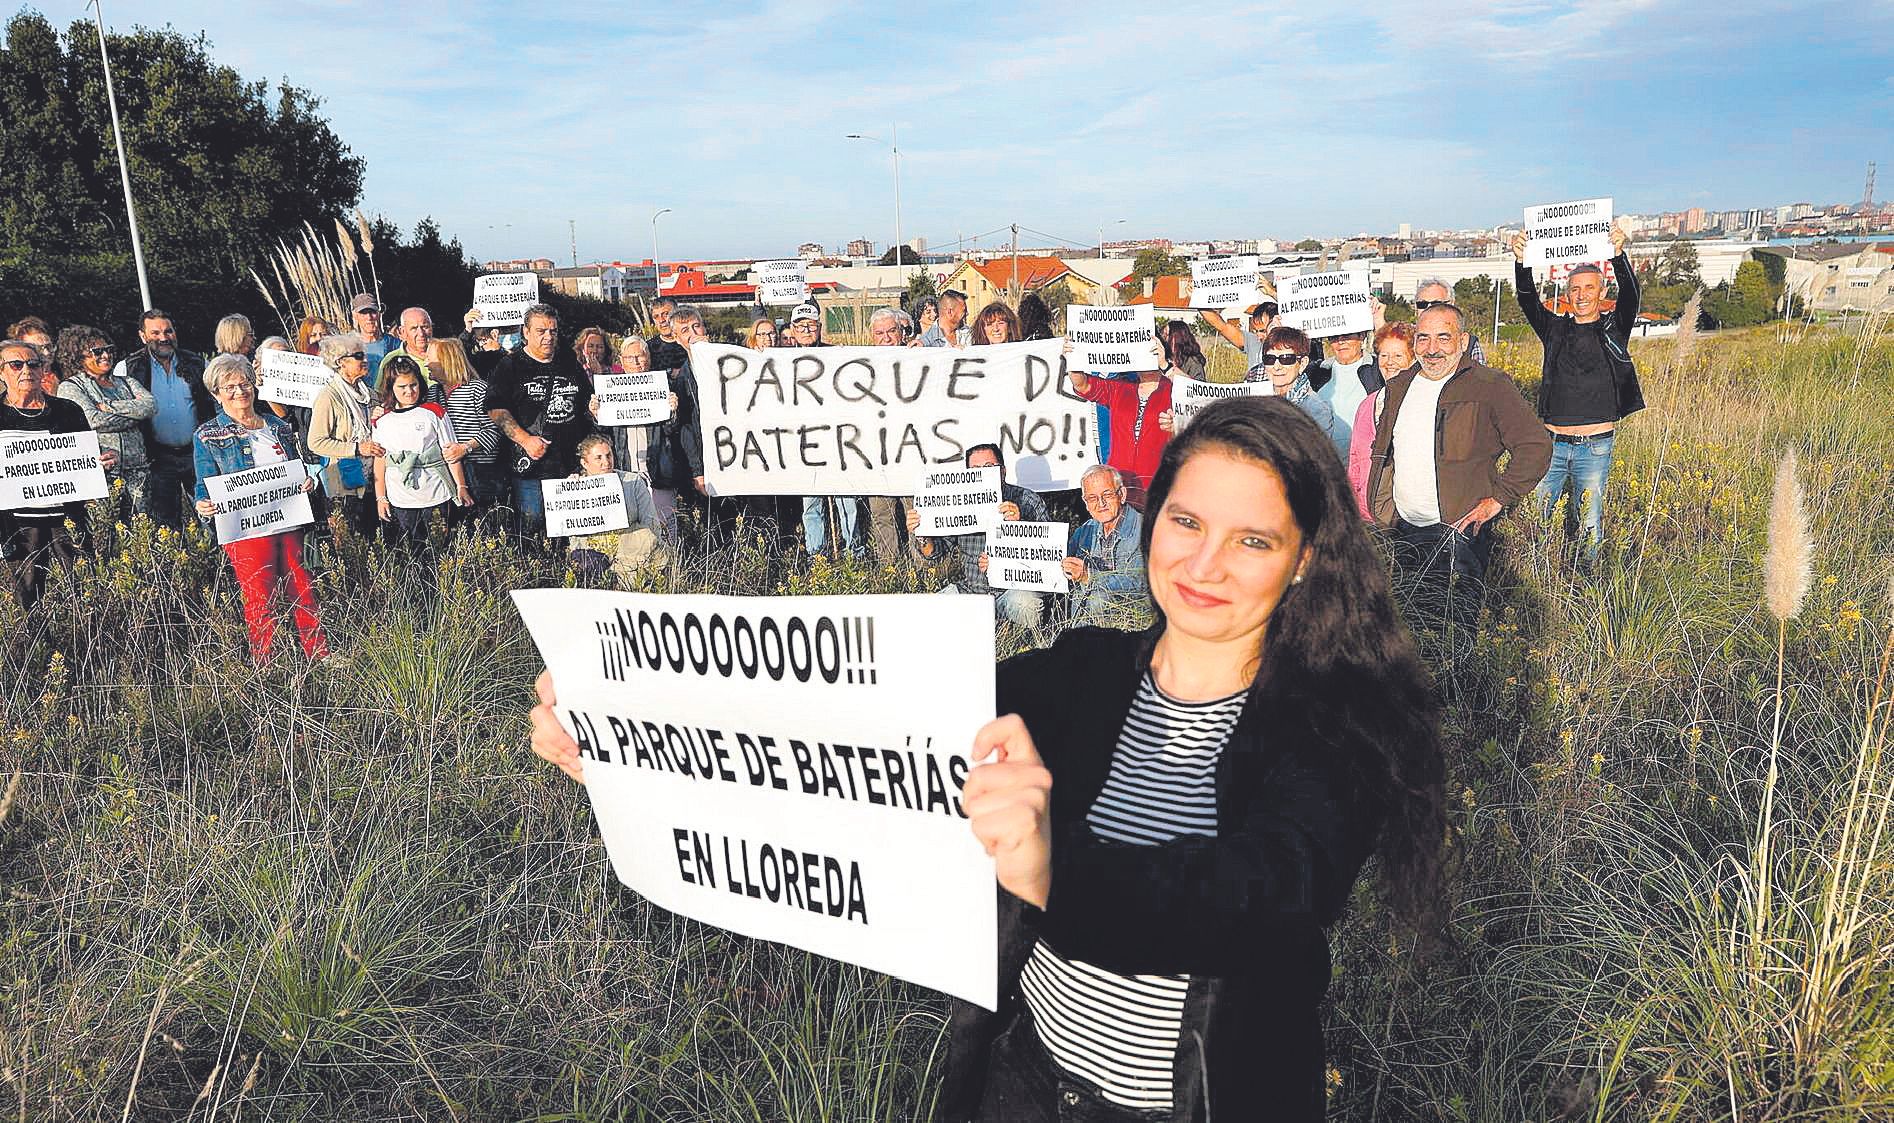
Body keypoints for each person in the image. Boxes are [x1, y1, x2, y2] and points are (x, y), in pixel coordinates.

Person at [528, 395, 1447, 1123]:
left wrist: (1059, 870)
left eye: (1253, 540)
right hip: (1024, 1079)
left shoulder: (1336, 727)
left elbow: (1258, 896)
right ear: (1149, 518)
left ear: (1304, 559)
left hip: (1199, 1102)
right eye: (1185, 522)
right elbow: (849, 722)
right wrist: (625, 729)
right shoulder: (1078, 675)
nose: (1205, 563)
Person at [1366, 304, 1551, 652]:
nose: (1432, 348)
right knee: (1414, 623)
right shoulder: (1400, 385)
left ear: (1463, 341)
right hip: (1405, 530)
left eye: (1443, 337)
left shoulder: (1489, 385)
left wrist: (1498, 499)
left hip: (1459, 532)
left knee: (1457, 629)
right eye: (1423, 338)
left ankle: (1461, 694)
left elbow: (1535, 445)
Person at [1509, 225, 1642, 567]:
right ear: (1567, 294)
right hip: (1551, 443)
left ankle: (1588, 583)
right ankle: (1539, 578)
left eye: (1589, 288)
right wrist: (1521, 261)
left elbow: (1632, 295)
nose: (1582, 295)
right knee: (1540, 520)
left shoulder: (1614, 327)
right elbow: (1527, 300)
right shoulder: (1554, 329)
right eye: (1575, 289)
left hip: (1595, 446)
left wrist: (1618, 254)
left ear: (1601, 291)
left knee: (1589, 523)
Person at [191, 354, 325, 661]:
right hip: (246, 530)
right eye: (230, 387)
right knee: (259, 596)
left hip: (288, 521)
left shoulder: (278, 427)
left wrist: (307, 482)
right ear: (216, 394)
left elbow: (300, 468)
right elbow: (204, 482)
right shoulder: (207, 435)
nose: (240, 391)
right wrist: (203, 504)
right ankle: (267, 662)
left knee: (302, 588)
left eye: (245, 383)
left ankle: (318, 652)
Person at [2, 339, 110, 608]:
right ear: (1, 372)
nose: (26, 370)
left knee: (86, 591)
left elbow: (88, 457)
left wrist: (102, 460)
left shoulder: (67, 410)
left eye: (34, 364)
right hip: (19, 524)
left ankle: (91, 644)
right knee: (28, 598)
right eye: (16, 365)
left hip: (68, 518)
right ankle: (38, 646)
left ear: (42, 370)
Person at [905, 442, 1050, 629]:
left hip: (1013, 591)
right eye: (976, 469)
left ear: (1003, 471)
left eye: (989, 468)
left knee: (1027, 605)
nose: (983, 474)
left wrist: (1019, 528)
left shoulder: (1028, 501)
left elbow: (1048, 557)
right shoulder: (957, 503)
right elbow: (936, 553)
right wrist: (922, 533)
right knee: (926, 615)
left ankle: (1020, 640)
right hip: (972, 591)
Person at [487, 303, 598, 537]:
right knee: (532, 526)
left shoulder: (568, 362)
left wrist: (595, 407)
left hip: (570, 462)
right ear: (526, 333)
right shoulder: (510, 366)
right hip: (532, 467)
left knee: (571, 529)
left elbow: (587, 400)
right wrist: (525, 440)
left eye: (553, 331)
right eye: (541, 331)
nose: (548, 337)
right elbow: (496, 410)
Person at [113, 309, 212, 529]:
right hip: (157, 457)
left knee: (210, 517)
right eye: (155, 333)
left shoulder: (197, 363)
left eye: (168, 331)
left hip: (197, 453)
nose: (163, 338)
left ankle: (219, 562)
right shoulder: (127, 368)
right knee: (165, 525)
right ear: (142, 336)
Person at [372, 354, 470, 549]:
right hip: (401, 498)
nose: (409, 391)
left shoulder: (434, 412)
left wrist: (461, 486)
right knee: (411, 551)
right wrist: (380, 497)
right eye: (402, 387)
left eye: (413, 385)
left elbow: (450, 453)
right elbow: (380, 460)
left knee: (441, 548)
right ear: (391, 387)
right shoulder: (382, 419)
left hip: (435, 493)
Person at [55, 325, 155, 517]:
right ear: (78, 357)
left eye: (109, 349)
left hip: (138, 472)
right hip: (103, 474)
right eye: (97, 352)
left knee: (144, 530)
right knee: (109, 532)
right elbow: (92, 420)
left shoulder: (126, 381)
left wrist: (108, 405)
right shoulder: (71, 387)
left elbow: (150, 406)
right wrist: (134, 417)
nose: (106, 355)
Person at [1066, 338, 1172, 510]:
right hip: (1119, 488)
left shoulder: (1174, 388)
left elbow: (1194, 397)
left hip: (1158, 489)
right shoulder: (1119, 387)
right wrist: (1073, 358)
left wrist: (1165, 365)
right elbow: (1082, 385)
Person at [305, 332, 384, 537]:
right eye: (358, 356)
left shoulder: (370, 393)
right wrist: (356, 448)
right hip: (343, 484)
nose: (365, 360)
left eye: (364, 354)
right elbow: (315, 442)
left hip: (372, 479)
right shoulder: (329, 396)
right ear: (341, 362)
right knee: (350, 544)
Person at [564, 434, 662, 584]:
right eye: (599, 458)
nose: (606, 462)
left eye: (608, 455)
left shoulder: (633, 481)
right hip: (593, 552)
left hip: (632, 548)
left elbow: (651, 524)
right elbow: (574, 537)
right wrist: (570, 492)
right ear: (585, 463)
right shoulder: (575, 486)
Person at [645, 307, 707, 539]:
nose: (693, 333)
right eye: (684, 330)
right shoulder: (682, 380)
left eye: (696, 326)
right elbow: (686, 430)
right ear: (678, 339)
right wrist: (698, 470)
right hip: (707, 459)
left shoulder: (729, 359)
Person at [863, 307, 916, 565]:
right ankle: (889, 568)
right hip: (878, 453)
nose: (886, 338)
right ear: (872, 336)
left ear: (901, 332)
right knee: (881, 512)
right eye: (879, 333)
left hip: (910, 450)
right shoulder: (862, 364)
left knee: (914, 510)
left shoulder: (918, 357)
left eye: (891, 331)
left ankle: (923, 564)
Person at [1063, 464, 1146, 626]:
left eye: (1107, 495)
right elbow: (1057, 566)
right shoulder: (1085, 531)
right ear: (1085, 502)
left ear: (1121, 494)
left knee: (1099, 599)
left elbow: (1141, 583)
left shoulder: (1144, 530)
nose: (1100, 503)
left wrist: (1090, 576)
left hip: (1131, 624)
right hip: (1080, 625)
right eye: (1092, 498)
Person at [1348, 323, 1414, 519]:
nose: (1389, 362)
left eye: (1398, 356)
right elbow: (1355, 460)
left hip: (1402, 517)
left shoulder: (1419, 402)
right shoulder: (1367, 404)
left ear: (1413, 359)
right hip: (1365, 513)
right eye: (1384, 356)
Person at [1250, 327, 1348, 459]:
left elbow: (1310, 461)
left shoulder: (1317, 410)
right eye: (1270, 359)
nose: (1277, 366)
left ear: (1302, 364)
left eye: (1286, 359)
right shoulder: (1255, 400)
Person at [437, 337, 503, 517]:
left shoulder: (477, 389)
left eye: (431, 358)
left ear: (446, 361)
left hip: (481, 472)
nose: (426, 363)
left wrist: (465, 447)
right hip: (450, 471)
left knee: (485, 524)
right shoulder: (433, 393)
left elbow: (494, 430)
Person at [1375, 280, 1488, 365]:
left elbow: (1478, 381)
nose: (1429, 309)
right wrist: (1378, 319)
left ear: (1451, 303)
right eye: (1422, 304)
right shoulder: (1405, 336)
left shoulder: (1468, 345)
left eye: (1436, 304)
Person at [1310, 330, 1376, 452]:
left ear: (1361, 336)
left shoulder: (1377, 370)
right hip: (1325, 460)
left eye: (1347, 335)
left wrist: (1378, 320)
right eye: (1334, 337)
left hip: (1364, 460)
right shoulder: (1316, 371)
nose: (1341, 341)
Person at [1198, 297, 1281, 368]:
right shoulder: (1252, 341)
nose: (1259, 336)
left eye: (1263, 331)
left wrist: (1271, 292)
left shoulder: (1291, 346)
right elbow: (1222, 326)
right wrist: (1196, 300)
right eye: (1256, 331)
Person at [350, 295, 400, 375]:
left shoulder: (394, 344)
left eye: (372, 312)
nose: (369, 318)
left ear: (379, 314)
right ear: (355, 316)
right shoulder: (350, 346)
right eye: (363, 313)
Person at [647, 297, 687, 371]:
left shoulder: (690, 344)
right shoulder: (647, 349)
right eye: (656, 317)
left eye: (665, 314)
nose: (661, 320)